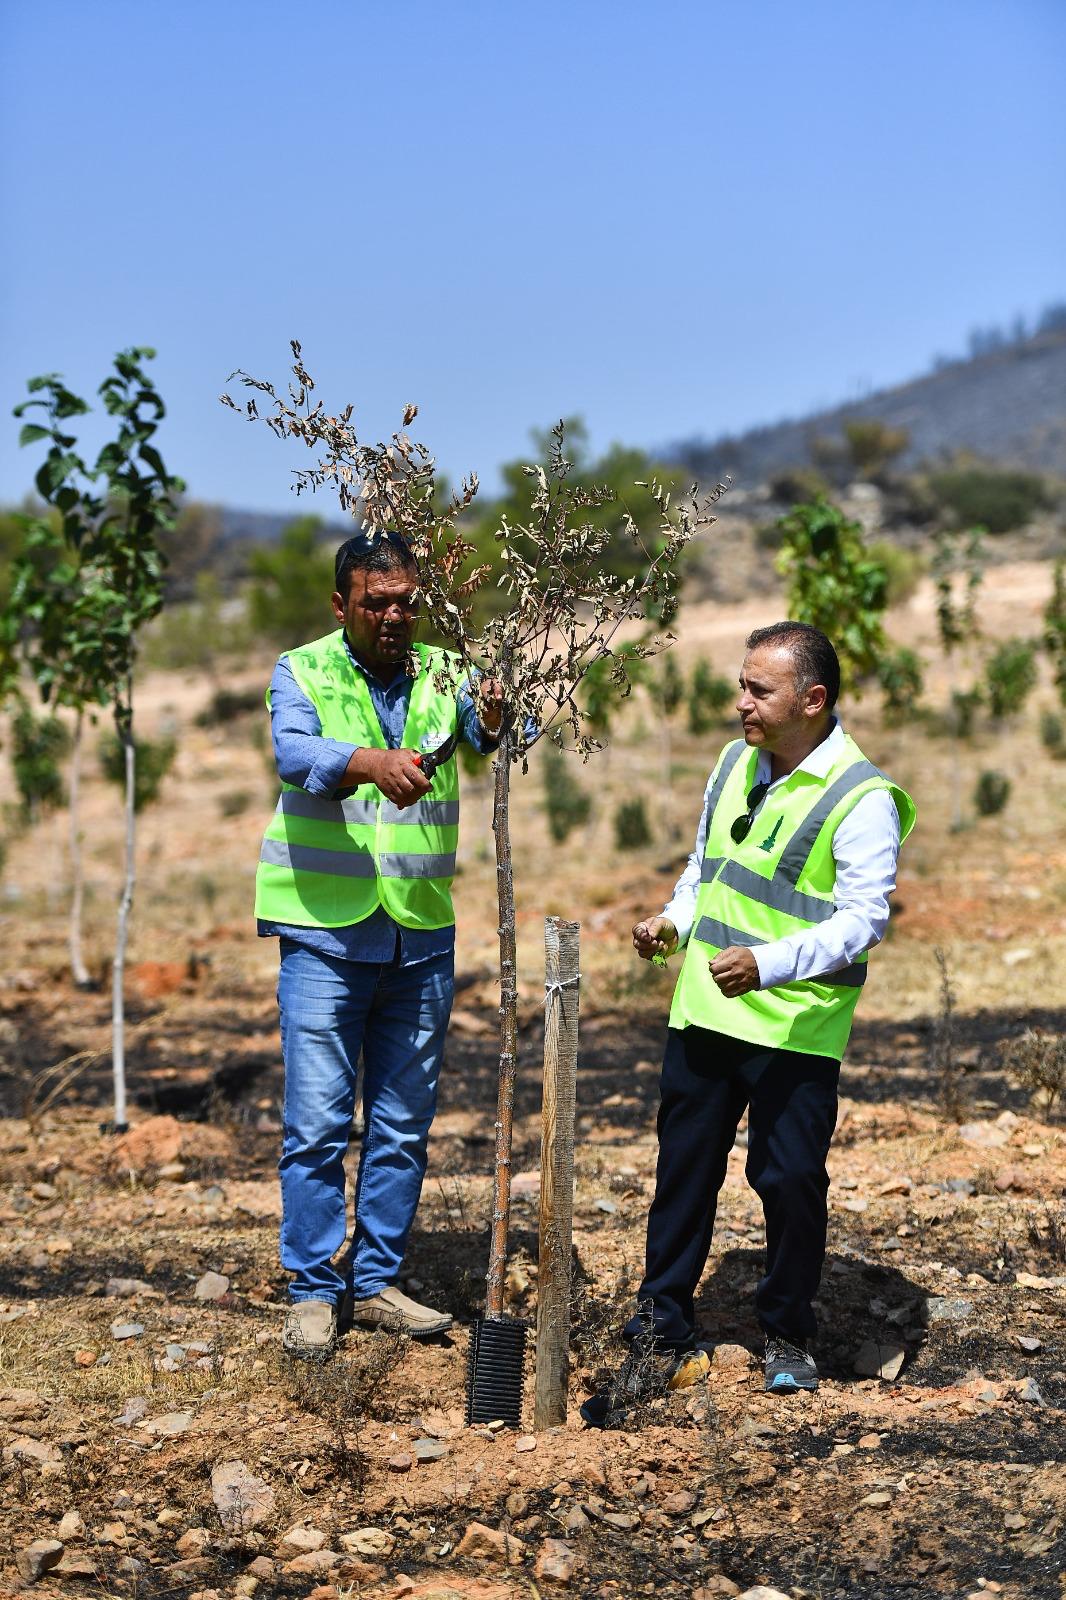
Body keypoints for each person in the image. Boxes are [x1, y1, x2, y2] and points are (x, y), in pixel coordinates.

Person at [593, 620, 914, 1415]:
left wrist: (767, 965)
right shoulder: (736, 762)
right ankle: (662, 1320)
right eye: (741, 684)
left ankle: (789, 1334)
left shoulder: (863, 797)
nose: (741, 703)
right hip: (705, 1009)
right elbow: (709, 866)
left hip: (797, 1026)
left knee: (790, 1180)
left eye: (757, 690)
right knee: (683, 1174)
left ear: (812, 699)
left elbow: (862, 919)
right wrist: (672, 920)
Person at [256, 528, 504, 1359]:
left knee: (403, 1122)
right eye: (376, 602)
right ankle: (315, 1288)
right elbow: (294, 754)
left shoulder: (446, 671)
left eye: (406, 602)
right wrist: (367, 761)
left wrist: (503, 710)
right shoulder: (303, 669)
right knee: (320, 1121)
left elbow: (510, 732)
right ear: (342, 604)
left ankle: (377, 1280)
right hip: (324, 930)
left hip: (422, 928)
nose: (395, 616)